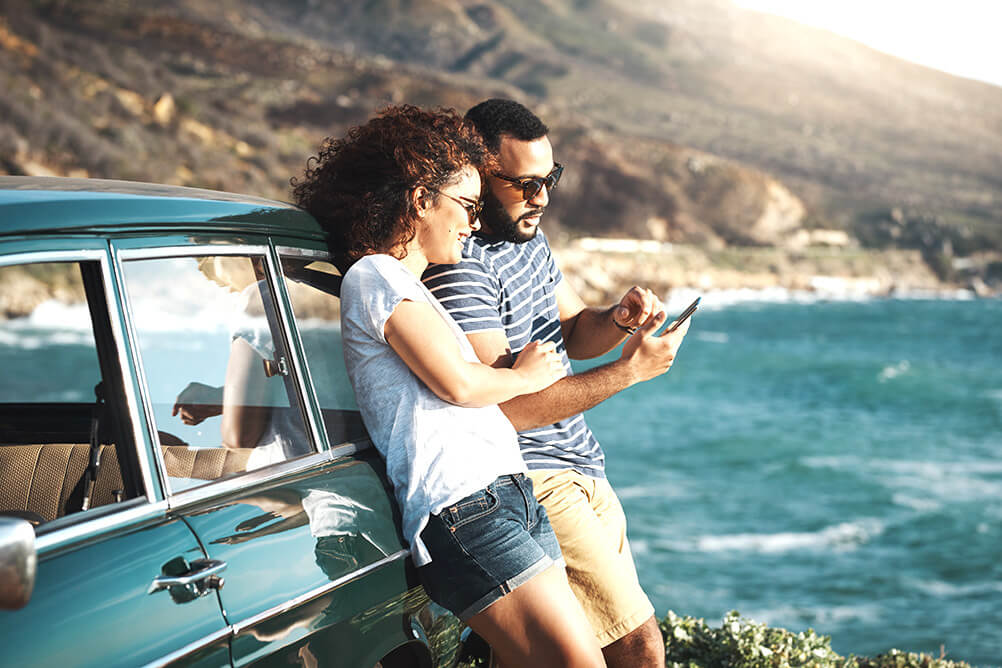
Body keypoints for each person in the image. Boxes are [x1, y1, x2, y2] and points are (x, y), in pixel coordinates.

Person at [291, 105, 605, 667]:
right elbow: (457, 385)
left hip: (506, 495)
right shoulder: (374, 276)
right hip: (462, 508)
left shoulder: (408, 287)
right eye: (466, 205)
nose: (475, 222)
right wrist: (523, 376)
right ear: (419, 201)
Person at [422, 98, 692, 668]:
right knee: (637, 648)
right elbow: (506, 409)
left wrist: (616, 320)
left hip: (583, 466)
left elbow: (571, 328)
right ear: (477, 172)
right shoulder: (461, 265)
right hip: (534, 475)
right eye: (524, 183)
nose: (541, 197)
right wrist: (629, 371)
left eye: (549, 179)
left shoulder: (528, 241)